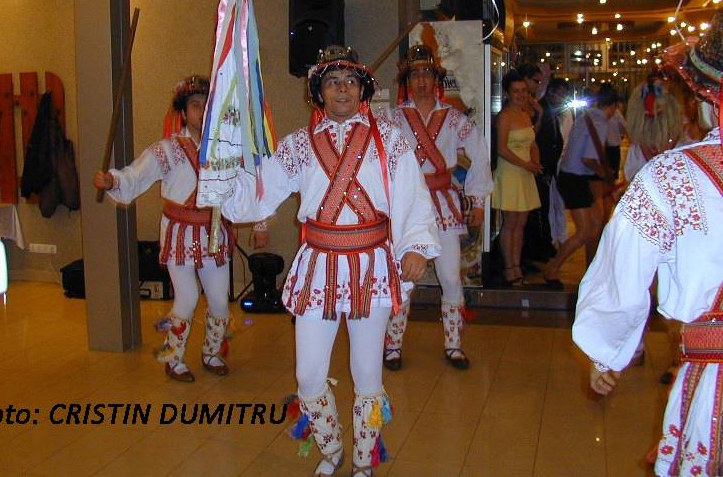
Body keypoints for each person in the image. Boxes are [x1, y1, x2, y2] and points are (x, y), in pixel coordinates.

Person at [221, 46, 440, 477]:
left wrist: (415, 245)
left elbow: (413, 194)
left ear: (363, 90)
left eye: (351, 81)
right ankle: (331, 446)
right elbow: (262, 192)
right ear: (318, 93)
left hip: (371, 266)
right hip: (319, 267)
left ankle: (364, 459)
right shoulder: (298, 145)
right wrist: (224, 184)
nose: (342, 89)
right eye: (333, 82)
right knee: (307, 374)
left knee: (368, 373)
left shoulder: (390, 140)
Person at [572, 11, 723, 476]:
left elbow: (624, 267)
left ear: (708, 97)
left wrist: (605, 351)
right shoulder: (667, 171)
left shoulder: (672, 175)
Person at [93, 76, 238, 383]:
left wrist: (261, 222)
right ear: (183, 112)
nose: (202, 112)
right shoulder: (167, 150)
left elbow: (245, 186)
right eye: (195, 105)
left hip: (213, 233)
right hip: (179, 235)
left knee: (219, 300)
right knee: (186, 298)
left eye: (207, 106)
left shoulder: (224, 150)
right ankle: (173, 359)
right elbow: (136, 175)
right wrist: (112, 180)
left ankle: (212, 352)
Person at [380, 45, 492, 371]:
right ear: (407, 80)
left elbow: (479, 155)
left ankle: (454, 343)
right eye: (415, 74)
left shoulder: (455, 119)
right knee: (403, 276)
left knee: (450, 276)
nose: (421, 81)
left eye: (427, 74)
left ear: (436, 79)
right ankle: (392, 344)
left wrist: (478, 200)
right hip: (406, 205)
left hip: (443, 202)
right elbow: (374, 156)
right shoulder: (391, 118)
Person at [546, 86, 617, 282]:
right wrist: (605, 174)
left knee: (594, 225)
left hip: (572, 177)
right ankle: (552, 269)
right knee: (586, 231)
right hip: (574, 179)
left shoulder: (587, 116)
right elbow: (588, 159)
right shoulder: (600, 122)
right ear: (613, 106)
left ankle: (591, 272)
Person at [492, 70, 543, 287]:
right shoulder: (505, 117)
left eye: (524, 90)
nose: (521, 95)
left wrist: (535, 162)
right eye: (516, 91)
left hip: (525, 172)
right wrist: (526, 164)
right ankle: (509, 268)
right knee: (510, 223)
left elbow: (532, 142)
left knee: (521, 223)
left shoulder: (525, 114)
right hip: (510, 172)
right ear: (507, 93)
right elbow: (501, 149)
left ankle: (517, 266)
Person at [522, 79, 570, 266]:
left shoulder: (551, 110)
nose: (562, 98)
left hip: (548, 167)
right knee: (540, 210)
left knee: (547, 207)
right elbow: (539, 141)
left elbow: (555, 141)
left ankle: (546, 244)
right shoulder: (541, 109)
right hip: (539, 167)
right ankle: (540, 246)